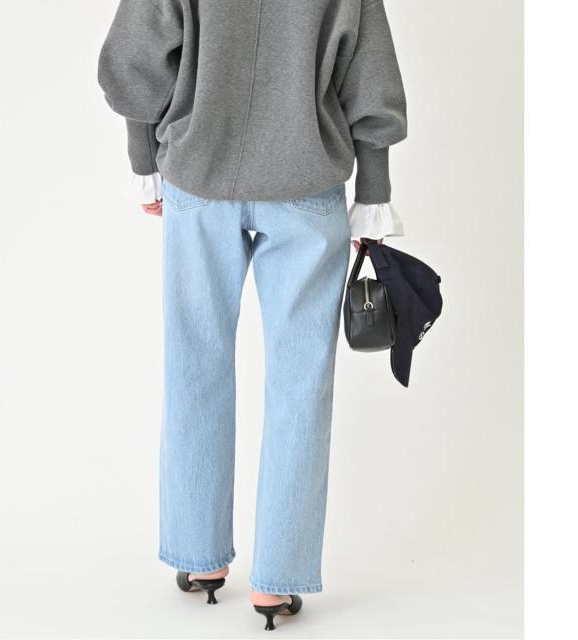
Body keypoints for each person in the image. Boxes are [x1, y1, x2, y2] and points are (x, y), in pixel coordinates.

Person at [98, 0, 407, 630]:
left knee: (195, 363)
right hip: (306, 183)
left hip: (198, 177)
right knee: (301, 381)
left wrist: (143, 160)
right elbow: (369, 75)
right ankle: (277, 580)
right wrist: (373, 191)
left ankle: (200, 558)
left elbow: (136, 57)